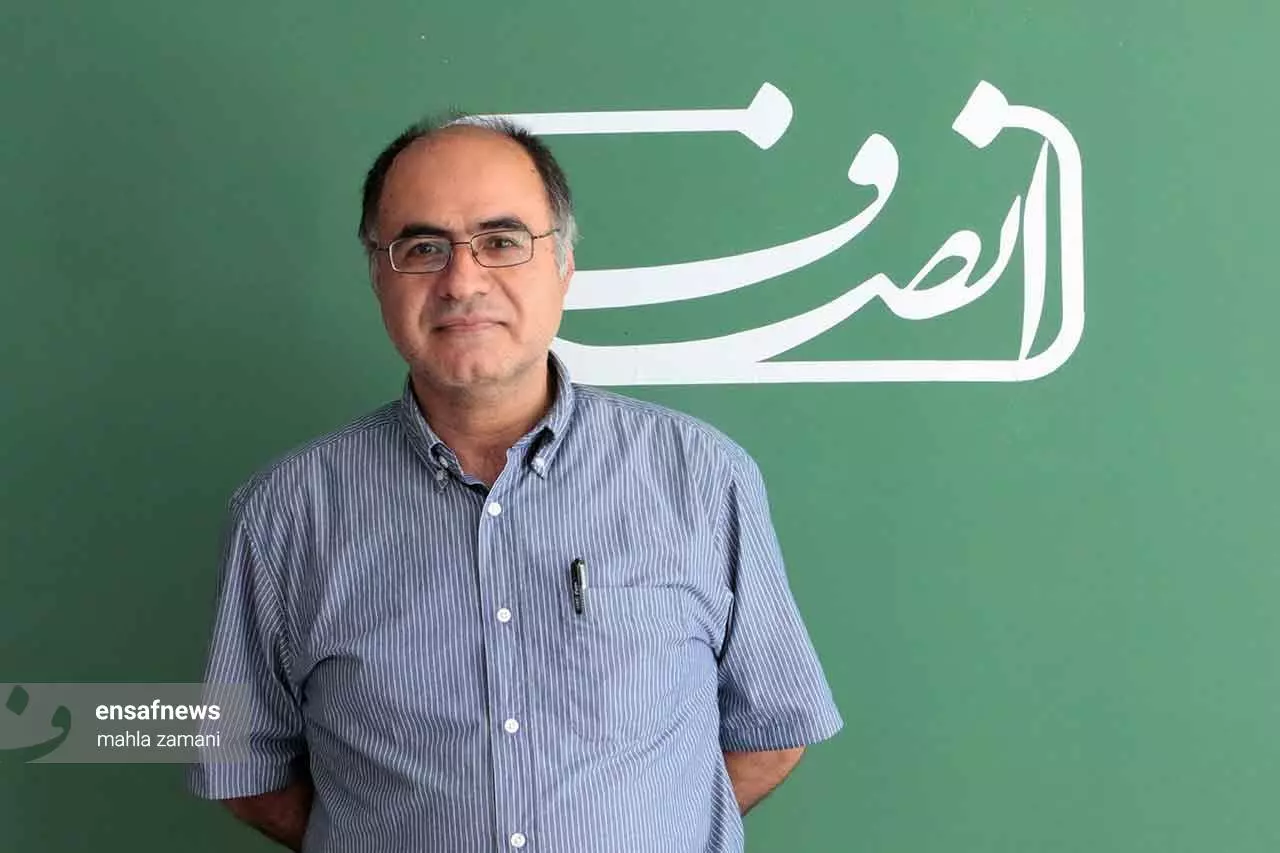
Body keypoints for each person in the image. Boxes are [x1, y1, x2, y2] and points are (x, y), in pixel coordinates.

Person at [186, 114, 843, 853]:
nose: (462, 281)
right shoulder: (282, 514)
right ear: (377, 275)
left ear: (563, 264)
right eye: (422, 248)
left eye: (501, 241)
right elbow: (244, 768)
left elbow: (772, 732)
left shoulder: (702, 478)